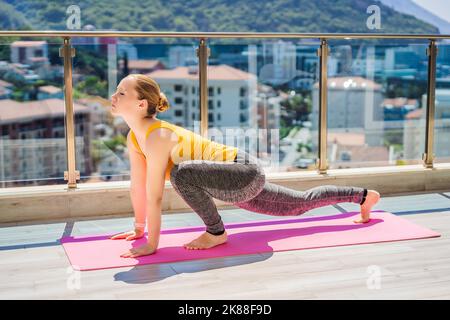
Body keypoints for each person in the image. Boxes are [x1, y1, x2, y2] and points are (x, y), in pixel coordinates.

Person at [109, 74, 381, 258]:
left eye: (121, 92)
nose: (114, 95)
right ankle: (364, 196)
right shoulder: (135, 136)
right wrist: (138, 228)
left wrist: (151, 245)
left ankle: (216, 233)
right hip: (235, 182)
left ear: (141, 103)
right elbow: (139, 186)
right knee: (300, 204)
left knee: (181, 174)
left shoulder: (158, 135)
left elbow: (155, 194)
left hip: (242, 171)